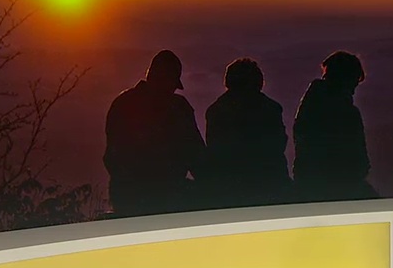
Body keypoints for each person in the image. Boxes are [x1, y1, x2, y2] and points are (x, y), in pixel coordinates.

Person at [103, 49, 206, 216]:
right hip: (165, 195)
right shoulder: (178, 109)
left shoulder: (122, 104)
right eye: (171, 85)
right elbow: (196, 155)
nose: (172, 90)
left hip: (127, 197)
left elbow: (112, 159)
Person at [204, 58, 292, 207]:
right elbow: (278, 144)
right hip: (269, 186)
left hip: (229, 190)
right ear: (258, 83)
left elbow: (215, 151)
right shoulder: (271, 109)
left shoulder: (216, 111)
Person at [292, 50, 377, 202]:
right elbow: (359, 160)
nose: (354, 89)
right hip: (340, 188)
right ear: (346, 79)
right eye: (353, 82)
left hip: (309, 184)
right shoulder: (347, 113)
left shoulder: (311, 105)